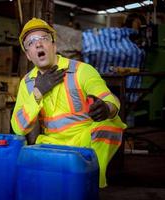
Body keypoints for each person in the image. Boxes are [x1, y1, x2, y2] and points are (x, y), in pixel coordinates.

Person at [11, 18, 127, 188]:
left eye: (43, 38)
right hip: (51, 144)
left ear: (53, 45)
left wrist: (107, 108)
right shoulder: (27, 83)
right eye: (31, 42)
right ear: (28, 54)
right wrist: (38, 92)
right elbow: (18, 128)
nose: (38, 44)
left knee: (111, 124)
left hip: (84, 142)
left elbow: (110, 99)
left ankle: (93, 180)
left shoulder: (81, 70)